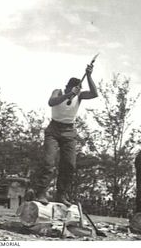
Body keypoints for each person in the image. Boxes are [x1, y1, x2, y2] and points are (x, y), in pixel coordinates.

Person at [32, 64, 98, 206]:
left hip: (69, 132)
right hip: (53, 130)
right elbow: (51, 102)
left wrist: (89, 76)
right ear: (67, 86)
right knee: (49, 162)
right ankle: (41, 192)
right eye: (73, 89)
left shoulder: (79, 96)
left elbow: (94, 94)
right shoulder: (58, 91)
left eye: (78, 89)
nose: (76, 91)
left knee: (69, 164)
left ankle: (61, 194)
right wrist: (68, 94)